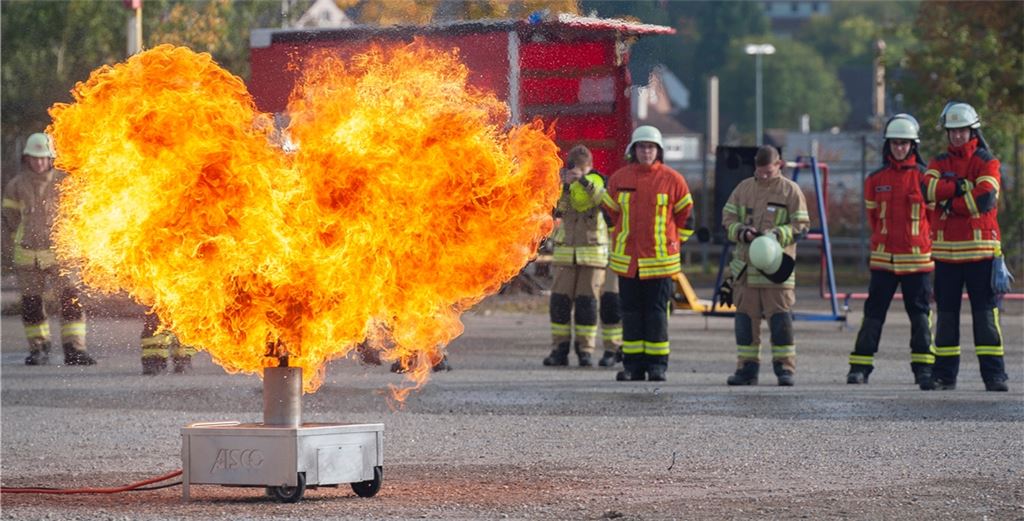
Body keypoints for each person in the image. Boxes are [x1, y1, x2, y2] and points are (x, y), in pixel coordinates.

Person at [923, 102, 1009, 391]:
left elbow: (985, 199)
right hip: (946, 255)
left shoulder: (987, 161)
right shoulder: (937, 162)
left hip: (981, 254)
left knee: (986, 318)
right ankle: (944, 376)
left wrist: (948, 201)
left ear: (972, 130)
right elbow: (927, 190)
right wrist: (962, 188)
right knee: (946, 318)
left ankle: (994, 375)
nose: (957, 136)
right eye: (952, 131)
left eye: (961, 130)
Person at [847, 114, 936, 390]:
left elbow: (932, 218)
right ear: (888, 145)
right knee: (873, 314)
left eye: (905, 143)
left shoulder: (925, 178)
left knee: (920, 316)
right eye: (896, 143)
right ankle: (860, 367)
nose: (900, 148)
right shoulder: (875, 180)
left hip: (918, 261)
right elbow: (874, 218)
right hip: (884, 260)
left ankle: (923, 370)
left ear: (913, 145)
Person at [601, 126, 694, 381]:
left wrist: (675, 243)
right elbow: (609, 213)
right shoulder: (620, 178)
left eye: (650, 147)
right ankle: (632, 366)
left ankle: (657, 366)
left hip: (660, 262)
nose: (646, 151)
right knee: (630, 313)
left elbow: (687, 218)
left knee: (655, 315)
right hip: (628, 261)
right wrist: (618, 235)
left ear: (658, 151)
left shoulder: (673, 180)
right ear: (634, 150)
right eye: (641, 147)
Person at [1, 132, 95, 366]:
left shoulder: (64, 183)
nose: (39, 162)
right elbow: (9, 219)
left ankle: (75, 349)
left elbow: (80, 216)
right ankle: (39, 349)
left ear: (51, 158)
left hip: (61, 256)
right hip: (28, 256)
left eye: (43, 157)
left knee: (71, 301)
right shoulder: (16, 186)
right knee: (32, 305)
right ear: (27, 159)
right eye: (35, 157)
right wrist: (11, 247)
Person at [722, 146, 809, 386]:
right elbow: (727, 219)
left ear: (779, 165)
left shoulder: (790, 191)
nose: (763, 176)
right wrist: (742, 231)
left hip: (776, 269)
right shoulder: (743, 189)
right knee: (745, 322)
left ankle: (784, 369)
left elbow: (801, 225)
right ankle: (746, 369)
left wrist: (777, 234)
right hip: (746, 269)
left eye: (768, 172)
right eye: (759, 171)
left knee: (780, 320)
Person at [543, 145, 609, 367]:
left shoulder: (597, 181)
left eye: (582, 168)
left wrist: (582, 180)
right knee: (559, 303)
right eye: (574, 169)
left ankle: (585, 351)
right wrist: (565, 186)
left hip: (592, 256)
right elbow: (557, 210)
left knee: (587, 304)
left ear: (590, 167)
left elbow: (601, 200)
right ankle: (559, 349)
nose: (578, 172)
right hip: (565, 255)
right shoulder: (565, 187)